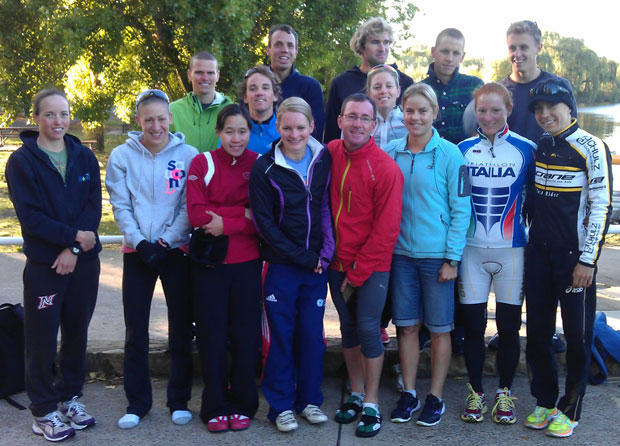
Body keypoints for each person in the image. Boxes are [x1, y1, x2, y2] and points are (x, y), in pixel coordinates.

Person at [5, 88, 101, 442]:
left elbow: (93, 207)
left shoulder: (84, 156)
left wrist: (74, 249)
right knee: (41, 339)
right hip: (46, 265)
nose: (58, 121)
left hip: (83, 263)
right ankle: (44, 410)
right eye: (50, 114)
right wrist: (72, 239)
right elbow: (31, 218)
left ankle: (70, 397)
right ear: (36, 118)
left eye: (63, 114)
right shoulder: (22, 162)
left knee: (76, 333)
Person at [524, 78, 612, 438]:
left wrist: (588, 261)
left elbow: (601, 205)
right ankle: (545, 401)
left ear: (569, 107)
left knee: (577, 335)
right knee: (537, 332)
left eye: (552, 107)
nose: (545, 114)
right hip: (538, 254)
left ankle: (571, 408)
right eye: (538, 109)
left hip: (574, 258)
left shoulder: (591, 145)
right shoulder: (542, 145)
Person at [106, 89, 198, 430]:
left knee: (180, 329)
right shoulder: (122, 156)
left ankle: (179, 400)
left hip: (175, 251)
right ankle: (137, 402)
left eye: (161, 119)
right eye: (149, 120)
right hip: (138, 252)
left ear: (170, 118)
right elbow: (120, 204)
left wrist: (166, 240)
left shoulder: (188, 155)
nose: (156, 126)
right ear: (138, 121)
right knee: (136, 330)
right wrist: (141, 242)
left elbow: (188, 205)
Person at [385, 83, 470, 427]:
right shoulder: (390, 152)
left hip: (438, 258)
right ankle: (409, 392)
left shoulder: (451, 155)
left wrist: (452, 259)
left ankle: (435, 397)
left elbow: (462, 210)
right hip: (401, 255)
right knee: (406, 327)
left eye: (423, 111)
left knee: (438, 329)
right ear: (402, 113)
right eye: (410, 110)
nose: (416, 117)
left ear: (434, 113)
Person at [249, 97, 334, 433]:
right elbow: (265, 225)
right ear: (278, 127)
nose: (294, 134)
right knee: (280, 337)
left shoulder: (323, 158)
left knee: (312, 336)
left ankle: (309, 400)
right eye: (287, 128)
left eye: (301, 127)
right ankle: (281, 406)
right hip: (280, 265)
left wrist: (325, 254)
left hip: (316, 267)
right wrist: (302, 257)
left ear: (311, 126)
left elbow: (325, 207)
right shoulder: (265, 167)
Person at [457, 82, 536, 425]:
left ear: (509, 110)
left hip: (512, 252)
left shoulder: (527, 149)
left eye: (495, 110)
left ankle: (504, 393)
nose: (488, 117)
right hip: (471, 252)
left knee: (508, 328)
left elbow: (536, 202)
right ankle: (475, 391)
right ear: (474, 112)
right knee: (473, 329)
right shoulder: (461, 150)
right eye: (482, 110)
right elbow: (458, 201)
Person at [329, 93, 404, 438]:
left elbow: (387, 231)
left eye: (364, 118)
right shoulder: (329, 153)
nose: (357, 124)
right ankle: (356, 393)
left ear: (374, 125)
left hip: (372, 266)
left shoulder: (386, 168)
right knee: (348, 329)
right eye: (352, 116)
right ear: (340, 120)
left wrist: (357, 274)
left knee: (369, 329)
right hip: (336, 263)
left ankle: (372, 402)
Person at [186, 104, 261, 433]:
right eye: (229, 131)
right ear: (218, 132)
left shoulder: (258, 164)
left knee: (245, 337)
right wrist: (240, 214)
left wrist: (225, 220)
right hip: (210, 265)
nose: (236, 138)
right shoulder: (202, 162)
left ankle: (243, 404)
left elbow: (262, 218)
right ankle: (215, 405)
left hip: (246, 264)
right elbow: (196, 214)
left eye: (242, 131)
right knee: (212, 336)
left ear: (250, 133)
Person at [324, 17, 413, 143]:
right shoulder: (341, 83)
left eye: (386, 42)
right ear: (361, 46)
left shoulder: (405, 82)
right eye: (375, 42)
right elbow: (331, 135)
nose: (382, 48)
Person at [500, 20, 577, 144]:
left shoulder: (559, 87)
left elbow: (573, 134)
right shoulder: (498, 92)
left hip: (550, 156)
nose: (517, 54)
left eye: (524, 47)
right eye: (512, 48)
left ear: (538, 48)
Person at [421, 28, 483, 145]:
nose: (449, 58)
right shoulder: (420, 90)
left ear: (462, 56)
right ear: (433, 52)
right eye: (445, 51)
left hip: (465, 154)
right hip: (429, 155)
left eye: (456, 53)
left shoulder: (475, 86)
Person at [267, 24, 325, 141]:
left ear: (296, 51)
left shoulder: (311, 88)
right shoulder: (255, 86)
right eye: (278, 44)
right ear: (268, 50)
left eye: (290, 45)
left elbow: (315, 134)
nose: (284, 50)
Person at [170, 51, 232, 152]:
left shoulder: (231, 110)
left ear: (217, 75)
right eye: (199, 72)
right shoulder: (172, 110)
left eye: (210, 73)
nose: (205, 78)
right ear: (189, 75)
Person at [239, 64, 281, 154]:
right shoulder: (234, 134)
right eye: (253, 89)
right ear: (245, 97)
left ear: (275, 95)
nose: (259, 93)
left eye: (265, 88)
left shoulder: (286, 133)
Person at [366, 64, 407, 150]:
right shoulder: (361, 123)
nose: (383, 91)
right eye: (377, 87)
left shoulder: (409, 123)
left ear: (398, 91)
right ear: (368, 93)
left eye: (389, 86)